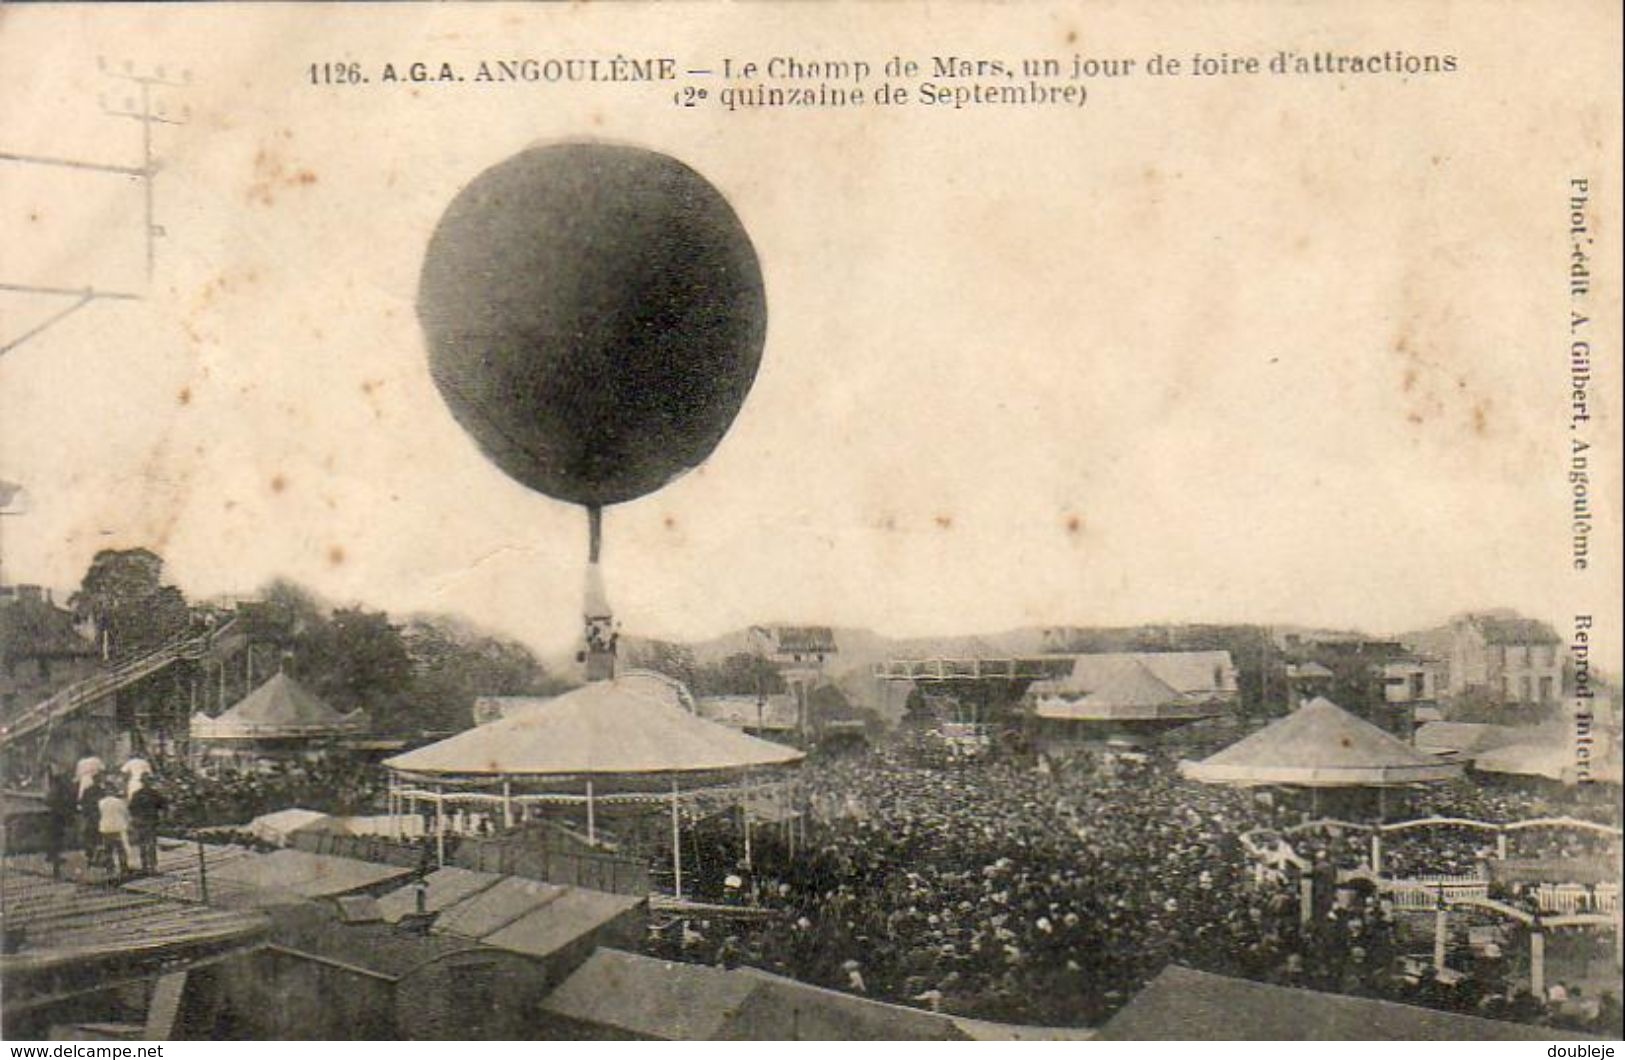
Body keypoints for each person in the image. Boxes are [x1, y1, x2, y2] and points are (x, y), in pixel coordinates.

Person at [129, 778, 166, 876]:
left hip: (141, 822)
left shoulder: (136, 794)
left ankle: (145, 866)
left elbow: (131, 809)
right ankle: (152, 867)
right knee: (151, 845)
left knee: (143, 845)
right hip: (150, 821)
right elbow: (163, 806)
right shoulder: (154, 793)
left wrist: (135, 820)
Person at [97, 783, 133, 878]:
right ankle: (124, 868)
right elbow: (126, 814)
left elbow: (100, 814)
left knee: (108, 850)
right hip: (117, 827)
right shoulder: (119, 802)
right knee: (121, 849)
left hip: (105, 828)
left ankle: (110, 869)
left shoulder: (101, 802)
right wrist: (128, 824)